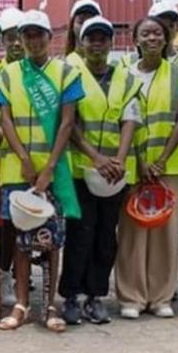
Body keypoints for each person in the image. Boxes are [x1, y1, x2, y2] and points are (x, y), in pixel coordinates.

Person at [0, 10, 84, 333]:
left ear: (50, 37)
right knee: (20, 240)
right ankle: (21, 303)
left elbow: (68, 123)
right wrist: (26, 161)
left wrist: (47, 168)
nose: (33, 41)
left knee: (51, 239)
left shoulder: (65, 73)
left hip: (54, 171)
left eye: (38, 34)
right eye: (27, 35)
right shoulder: (8, 73)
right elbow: (5, 119)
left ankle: (49, 304)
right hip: (17, 170)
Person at [61, 16, 139, 324]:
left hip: (115, 174)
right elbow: (72, 124)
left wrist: (118, 159)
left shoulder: (125, 77)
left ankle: (95, 296)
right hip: (82, 169)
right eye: (90, 38)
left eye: (102, 39)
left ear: (111, 43)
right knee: (81, 233)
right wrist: (96, 158)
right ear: (81, 43)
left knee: (107, 236)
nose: (96, 44)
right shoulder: (71, 75)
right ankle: (70, 296)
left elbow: (130, 120)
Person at [115, 16, 178, 319]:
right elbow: (124, 119)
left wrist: (160, 160)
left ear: (167, 38)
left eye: (158, 33)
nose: (152, 38)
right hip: (134, 164)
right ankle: (131, 296)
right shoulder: (123, 74)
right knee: (132, 230)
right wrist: (140, 157)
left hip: (168, 166)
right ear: (135, 39)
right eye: (145, 33)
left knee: (164, 231)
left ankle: (161, 296)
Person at [0, 6, 26, 306]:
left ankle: (23, 279)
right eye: (10, 38)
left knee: (33, 227)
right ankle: (4, 275)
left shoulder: (42, 70)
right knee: (6, 226)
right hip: (6, 165)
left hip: (39, 165)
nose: (16, 43)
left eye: (20, 37)